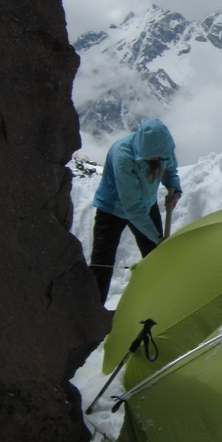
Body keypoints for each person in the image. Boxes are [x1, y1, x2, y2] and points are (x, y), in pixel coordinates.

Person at [90, 118, 182, 303]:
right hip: (112, 209)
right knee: (102, 263)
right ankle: (92, 312)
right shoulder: (123, 156)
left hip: (146, 205)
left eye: (160, 156)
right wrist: (158, 238)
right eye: (153, 157)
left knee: (155, 258)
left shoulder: (163, 149)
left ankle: (156, 302)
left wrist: (175, 189)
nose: (158, 160)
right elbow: (132, 208)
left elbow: (170, 170)